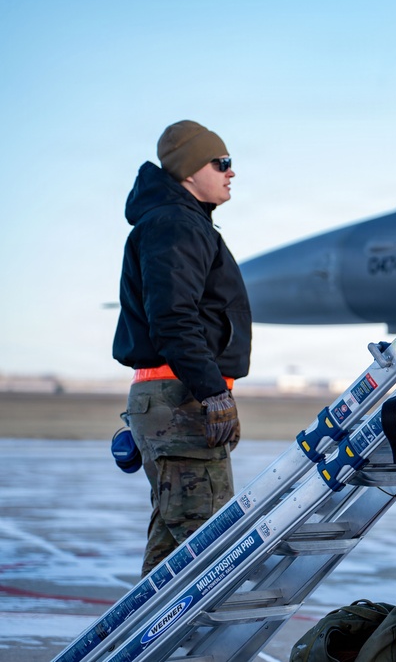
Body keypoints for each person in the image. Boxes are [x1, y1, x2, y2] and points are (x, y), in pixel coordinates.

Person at [113, 120, 252, 576]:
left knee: (173, 549)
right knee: (210, 552)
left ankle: (136, 644)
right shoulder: (176, 224)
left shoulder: (177, 223)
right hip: (181, 400)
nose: (231, 172)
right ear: (191, 172)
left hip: (174, 398)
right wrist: (212, 392)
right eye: (221, 163)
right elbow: (173, 317)